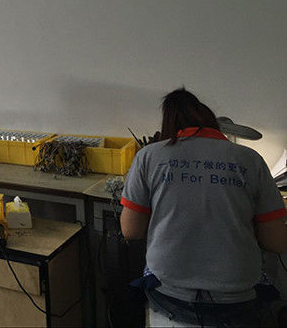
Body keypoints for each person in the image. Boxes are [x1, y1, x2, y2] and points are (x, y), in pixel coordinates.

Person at [120, 88, 287, 326]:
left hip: (171, 294)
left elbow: (131, 231)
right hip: (237, 299)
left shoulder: (149, 156)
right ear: (212, 123)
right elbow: (276, 242)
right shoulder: (250, 159)